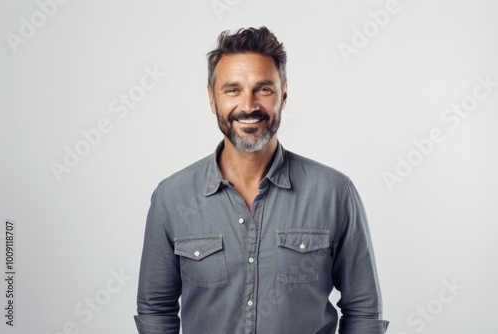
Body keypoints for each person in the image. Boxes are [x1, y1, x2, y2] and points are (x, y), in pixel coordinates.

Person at [134, 26, 389, 334]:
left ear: (283, 96)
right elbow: (155, 310)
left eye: (263, 89)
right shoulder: (171, 198)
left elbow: (363, 310)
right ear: (212, 99)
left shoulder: (335, 193)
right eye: (232, 90)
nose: (248, 105)